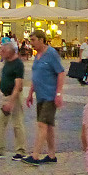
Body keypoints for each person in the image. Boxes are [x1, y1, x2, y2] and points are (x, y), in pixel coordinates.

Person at [22, 30, 65, 167]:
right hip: (40, 95)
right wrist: (30, 93)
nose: (31, 43)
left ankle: (35, 156)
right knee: (49, 126)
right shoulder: (37, 56)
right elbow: (36, 75)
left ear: (41, 40)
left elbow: (61, 73)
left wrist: (58, 94)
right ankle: (51, 155)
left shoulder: (51, 54)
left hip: (49, 95)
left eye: (33, 40)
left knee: (42, 124)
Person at [0, 42, 27, 160]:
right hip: (5, 96)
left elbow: (18, 85)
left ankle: (21, 151)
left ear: (11, 51)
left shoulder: (18, 64)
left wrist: (11, 102)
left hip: (14, 96)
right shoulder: (7, 62)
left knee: (17, 123)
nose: (0, 52)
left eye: (3, 51)